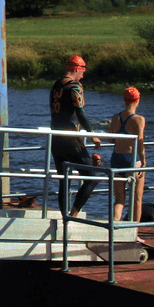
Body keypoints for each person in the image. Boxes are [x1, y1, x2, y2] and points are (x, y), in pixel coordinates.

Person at [49, 55, 101, 217]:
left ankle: (64, 216)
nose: (83, 76)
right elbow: (80, 111)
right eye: (82, 72)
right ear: (77, 69)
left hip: (55, 138)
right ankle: (73, 214)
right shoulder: (74, 86)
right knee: (91, 179)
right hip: (71, 138)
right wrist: (92, 134)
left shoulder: (56, 85)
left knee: (64, 180)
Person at [106, 87, 146, 222]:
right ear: (137, 100)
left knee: (119, 200)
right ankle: (134, 230)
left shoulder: (116, 117)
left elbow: (110, 139)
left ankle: (114, 226)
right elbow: (140, 143)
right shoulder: (139, 119)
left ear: (124, 100)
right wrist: (144, 162)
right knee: (136, 199)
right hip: (131, 158)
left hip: (116, 158)